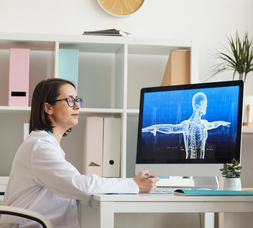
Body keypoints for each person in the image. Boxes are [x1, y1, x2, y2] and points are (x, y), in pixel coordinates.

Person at [0, 78, 159, 228]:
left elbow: (75, 185)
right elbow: (80, 185)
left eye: (77, 100)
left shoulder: (46, 144)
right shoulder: (40, 146)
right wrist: (133, 185)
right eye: (70, 100)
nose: (77, 106)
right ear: (48, 107)